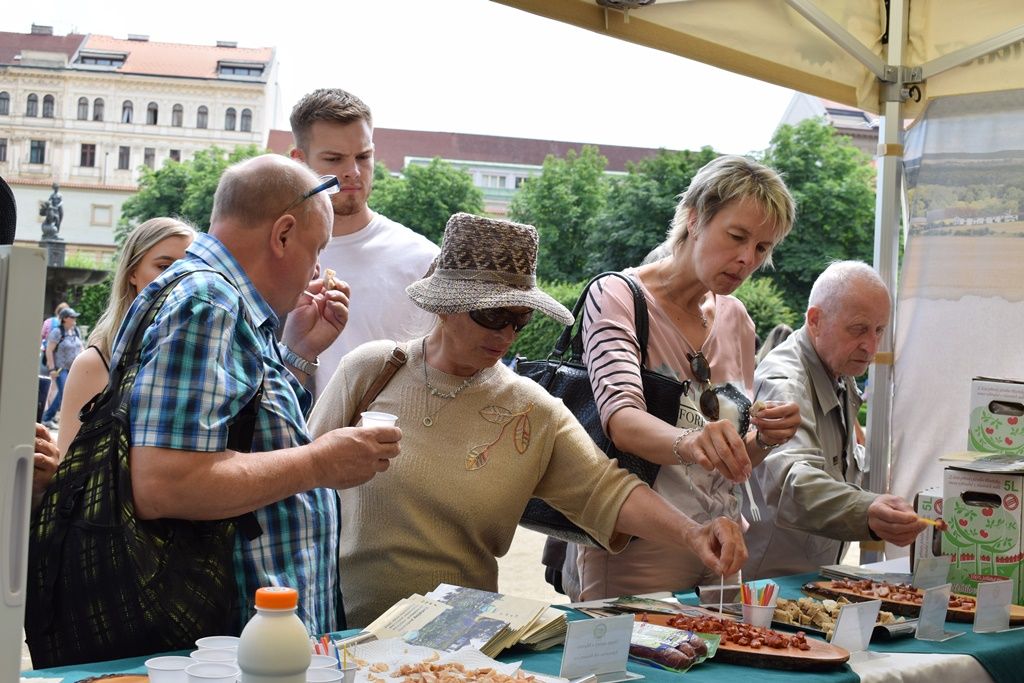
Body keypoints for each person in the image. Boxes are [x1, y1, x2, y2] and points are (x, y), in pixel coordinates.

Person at [308, 212, 747, 627]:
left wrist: (694, 534)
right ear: (444, 305)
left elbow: (606, 491)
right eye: (492, 314)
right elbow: (300, 485)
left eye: (519, 318)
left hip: (457, 645)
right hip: (345, 628)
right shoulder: (370, 369)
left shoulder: (532, 410)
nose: (505, 335)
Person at [115, 154, 398, 634]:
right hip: (237, 643)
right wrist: (319, 464)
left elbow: (244, 431)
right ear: (283, 234)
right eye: (316, 249)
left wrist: (299, 350)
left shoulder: (219, 296)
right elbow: (166, 483)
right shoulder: (209, 302)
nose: (318, 269)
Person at [568, 155, 802, 600]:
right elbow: (621, 419)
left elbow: (731, 463)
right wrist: (692, 442)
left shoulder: (736, 318)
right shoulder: (617, 294)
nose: (746, 259)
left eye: (762, 248)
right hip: (636, 553)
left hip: (724, 549)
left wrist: (765, 439)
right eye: (736, 236)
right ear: (694, 219)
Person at [743, 261, 925, 578]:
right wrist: (866, 510)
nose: (871, 345)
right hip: (764, 590)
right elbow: (793, 482)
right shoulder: (787, 383)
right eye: (858, 329)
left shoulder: (836, 371)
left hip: (798, 580)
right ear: (815, 320)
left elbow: (838, 465)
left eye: (879, 330)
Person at [289, 88, 439, 396]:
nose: (353, 172)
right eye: (334, 159)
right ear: (298, 161)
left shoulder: (421, 259)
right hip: (284, 440)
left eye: (363, 157)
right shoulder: (273, 252)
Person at [57, 218, 196, 455]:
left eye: (188, 267)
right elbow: (67, 470)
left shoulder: (200, 353)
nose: (178, 278)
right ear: (132, 273)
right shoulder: (95, 363)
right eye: (164, 266)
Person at [41, 307, 84, 428]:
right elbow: (49, 350)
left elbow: (80, 347)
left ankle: (50, 417)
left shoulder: (76, 330)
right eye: (72, 317)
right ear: (65, 319)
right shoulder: (57, 332)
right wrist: (52, 369)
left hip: (73, 369)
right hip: (61, 369)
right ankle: (47, 417)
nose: (75, 319)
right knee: (64, 392)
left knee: (67, 393)